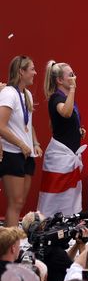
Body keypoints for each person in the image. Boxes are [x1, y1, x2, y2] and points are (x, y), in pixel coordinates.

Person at [39, 60, 86, 217]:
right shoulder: (56, 98)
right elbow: (65, 113)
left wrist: (78, 130)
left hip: (69, 154)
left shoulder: (67, 98)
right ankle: (46, 227)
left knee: (69, 196)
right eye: (71, 75)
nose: (75, 78)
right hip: (59, 156)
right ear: (59, 80)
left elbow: (67, 120)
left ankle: (66, 225)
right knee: (54, 196)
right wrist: (72, 89)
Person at [0, 55, 42, 228]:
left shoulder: (28, 95)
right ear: (21, 71)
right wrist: (21, 144)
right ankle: (10, 246)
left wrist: (35, 143)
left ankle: (13, 244)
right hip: (13, 153)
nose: (35, 72)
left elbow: (27, 124)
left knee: (20, 202)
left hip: (26, 153)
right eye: (31, 69)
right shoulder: (8, 93)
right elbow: (1, 126)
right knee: (15, 202)